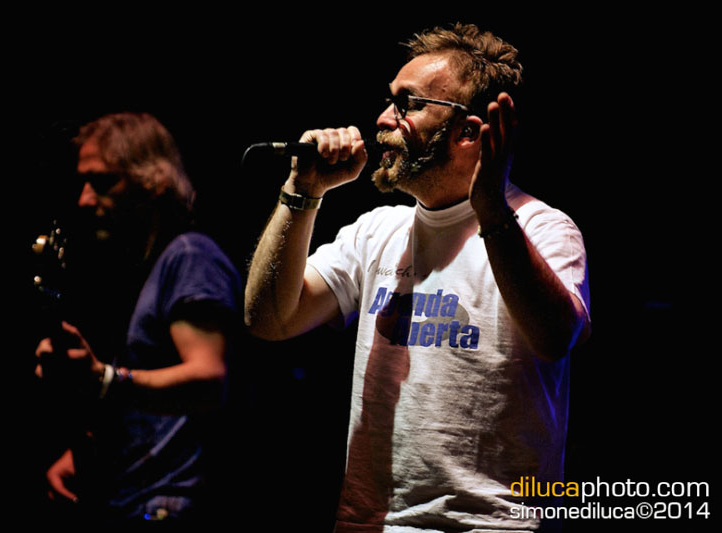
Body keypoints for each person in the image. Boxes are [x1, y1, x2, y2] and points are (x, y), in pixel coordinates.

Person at [245, 23, 590, 532]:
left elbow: (556, 337)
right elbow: (269, 320)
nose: (384, 119)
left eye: (407, 104)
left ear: (467, 132)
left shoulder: (542, 227)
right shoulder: (376, 232)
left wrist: (490, 208)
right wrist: (303, 190)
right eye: (389, 101)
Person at [34, 112, 241, 530]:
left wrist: (104, 380)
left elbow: (208, 381)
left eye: (103, 182)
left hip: (171, 505)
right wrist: (83, 454)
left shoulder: (189, 256)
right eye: (83, 183)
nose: (84, 200)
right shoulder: (146, 270)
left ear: (153, 181)